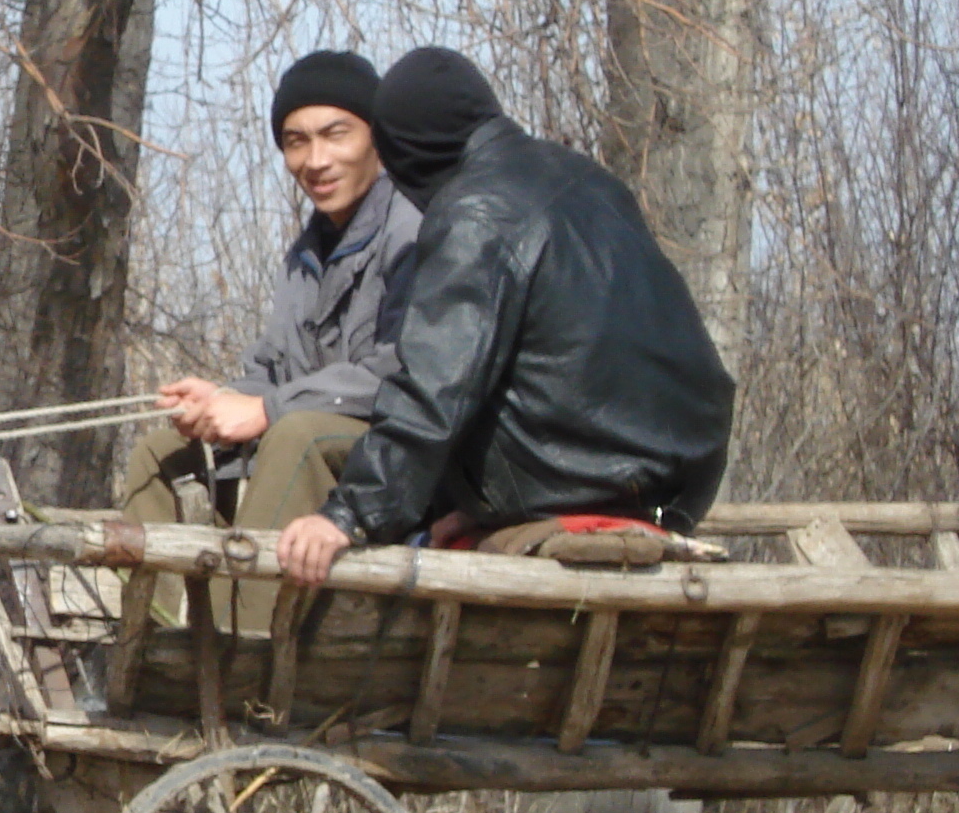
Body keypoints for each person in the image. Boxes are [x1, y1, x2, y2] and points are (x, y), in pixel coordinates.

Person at [274, 46, 734, 587]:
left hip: (581, 473)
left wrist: (348, 515)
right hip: (679, 476)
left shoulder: (474, 212)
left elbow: (433, 391)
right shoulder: (589, 179)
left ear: (403, 150)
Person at [120, 48, 419, 630]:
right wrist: (219, 401)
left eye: (336, 135)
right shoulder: (308, 252)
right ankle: (148, 636)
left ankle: (239, 652)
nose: (316, 160)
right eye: (295, 141)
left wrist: (266, 408)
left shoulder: (414, 231)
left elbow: (407, 373)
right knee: (158, 454)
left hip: (401, 445)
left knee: (294, 436)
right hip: (318, 425)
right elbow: (276, 365)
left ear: (377, 140)